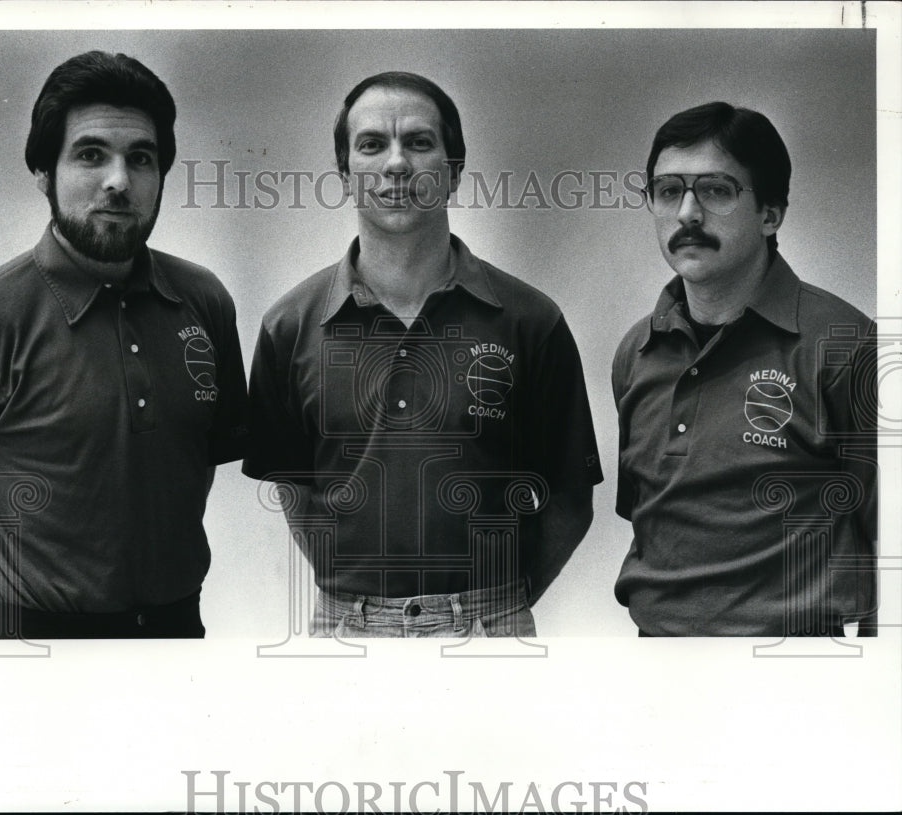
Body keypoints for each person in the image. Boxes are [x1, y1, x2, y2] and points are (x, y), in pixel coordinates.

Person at [243, 71, 602, 637]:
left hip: (489, 625)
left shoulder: (532, 322)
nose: (396, 165)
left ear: (453, 171)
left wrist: (497, 605)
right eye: (372, 145)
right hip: (346, 629)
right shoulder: (289, 327)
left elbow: (570, 497)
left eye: (418, 142)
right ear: (345, 173)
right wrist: (357, 597)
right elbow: (292, 485)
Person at [0, 51, 249, 639]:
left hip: (177, 636)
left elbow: (194, 460)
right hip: (30, 645)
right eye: (90, 154)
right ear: (43, 173)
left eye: (141, 158)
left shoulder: (205, 301)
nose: (119, 181)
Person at [613, 101, 878, 636]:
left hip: (791, 670)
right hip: (652, 666)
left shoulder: (844, 345)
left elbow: (887, 533)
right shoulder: (636, 351)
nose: (687, 214)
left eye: (715, 190)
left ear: (770, 212)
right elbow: (652, 521)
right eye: (668, 192)